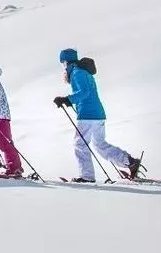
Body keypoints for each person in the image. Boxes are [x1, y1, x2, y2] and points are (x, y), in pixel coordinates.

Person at [54, 48, 143, 181]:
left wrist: (67, 99)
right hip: (97, 113)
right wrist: (69, 100)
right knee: (99, 144)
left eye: (63, 63)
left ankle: (87, 176)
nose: (63, 66)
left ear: (66, 62)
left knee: (80, 144)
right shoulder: (83, 72)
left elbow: (84, 92)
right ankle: (129, 161)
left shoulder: (77, 73)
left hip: (87, 114)